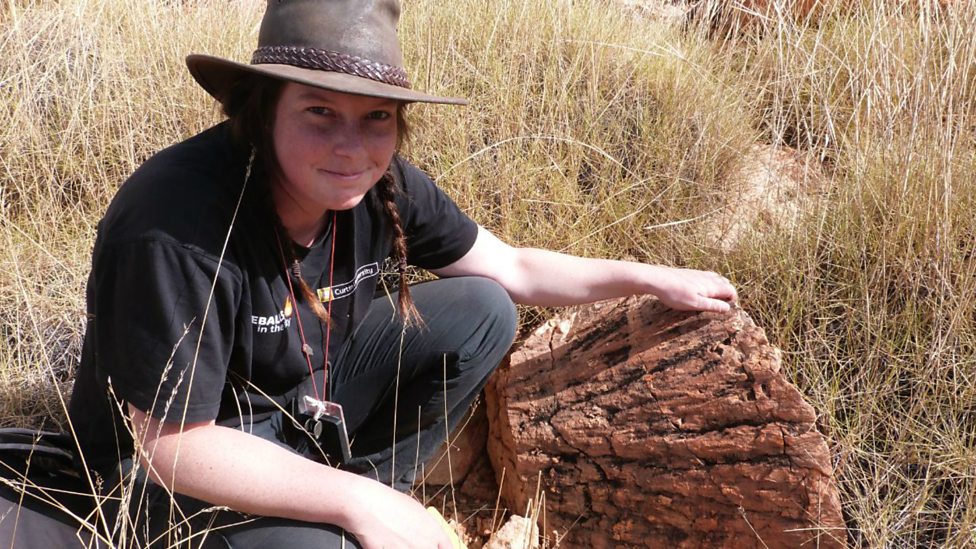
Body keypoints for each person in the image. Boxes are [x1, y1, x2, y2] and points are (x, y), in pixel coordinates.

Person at [66, 1, 738, 548]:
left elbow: (512, 268)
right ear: (262, 106)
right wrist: (358, 504)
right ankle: (355, 513)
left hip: (298, 407)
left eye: (376, 118)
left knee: (484, 308)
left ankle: (370, 501)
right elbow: (173, 447)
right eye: (320, 112)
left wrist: (651, 277)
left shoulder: (380, 185)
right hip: (176, 464)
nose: (351, 147)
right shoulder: (175, 222)